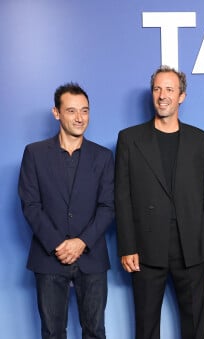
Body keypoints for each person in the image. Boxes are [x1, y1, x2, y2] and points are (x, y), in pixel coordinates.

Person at [115, 66, 204, 339]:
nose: (162, 95)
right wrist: (127, 246)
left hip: (192, 249)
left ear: (181, 96)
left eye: (169, 89)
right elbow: (121, 197)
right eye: (157, 89)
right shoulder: (129, 139)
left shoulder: (201, 140)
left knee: (195, 328)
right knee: (146, 328)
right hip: (145, 250)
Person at [18, 83, 115, 339]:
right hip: (49, 257)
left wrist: (82, 242)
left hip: (91, 257)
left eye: (85, 110)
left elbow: (108, 206)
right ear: (56, 113)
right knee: (52, 332)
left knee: (95, 331)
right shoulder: (34, 153)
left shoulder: (103, 157)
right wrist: (58, 244)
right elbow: (30, 205)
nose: (80, 118)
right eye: (72, 111)